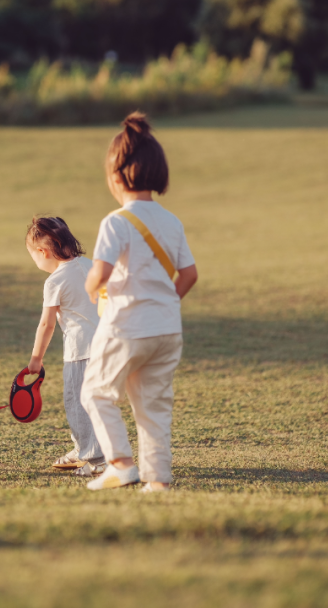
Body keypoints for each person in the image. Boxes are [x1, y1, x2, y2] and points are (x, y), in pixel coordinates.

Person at [81, 112, 198, 492]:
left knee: (96, 392)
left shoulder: (116, 222)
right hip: (167, 328)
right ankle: (158, 482)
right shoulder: (172, 221)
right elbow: (189, 275)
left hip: (127, 325)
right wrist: (164, 303)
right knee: (154, 409)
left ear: (116, 175)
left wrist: (90, 287)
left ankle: (120, 463)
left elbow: (99, 275)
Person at [25, 216, 106, 476]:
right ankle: (83, 448)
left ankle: (97, 461)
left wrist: (36, 359)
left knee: (78, 405)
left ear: (43, 252)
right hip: (107, 346)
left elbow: (46, 325)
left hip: (80, 352)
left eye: (33, 256)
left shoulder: (55, 281)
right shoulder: (91, 265)